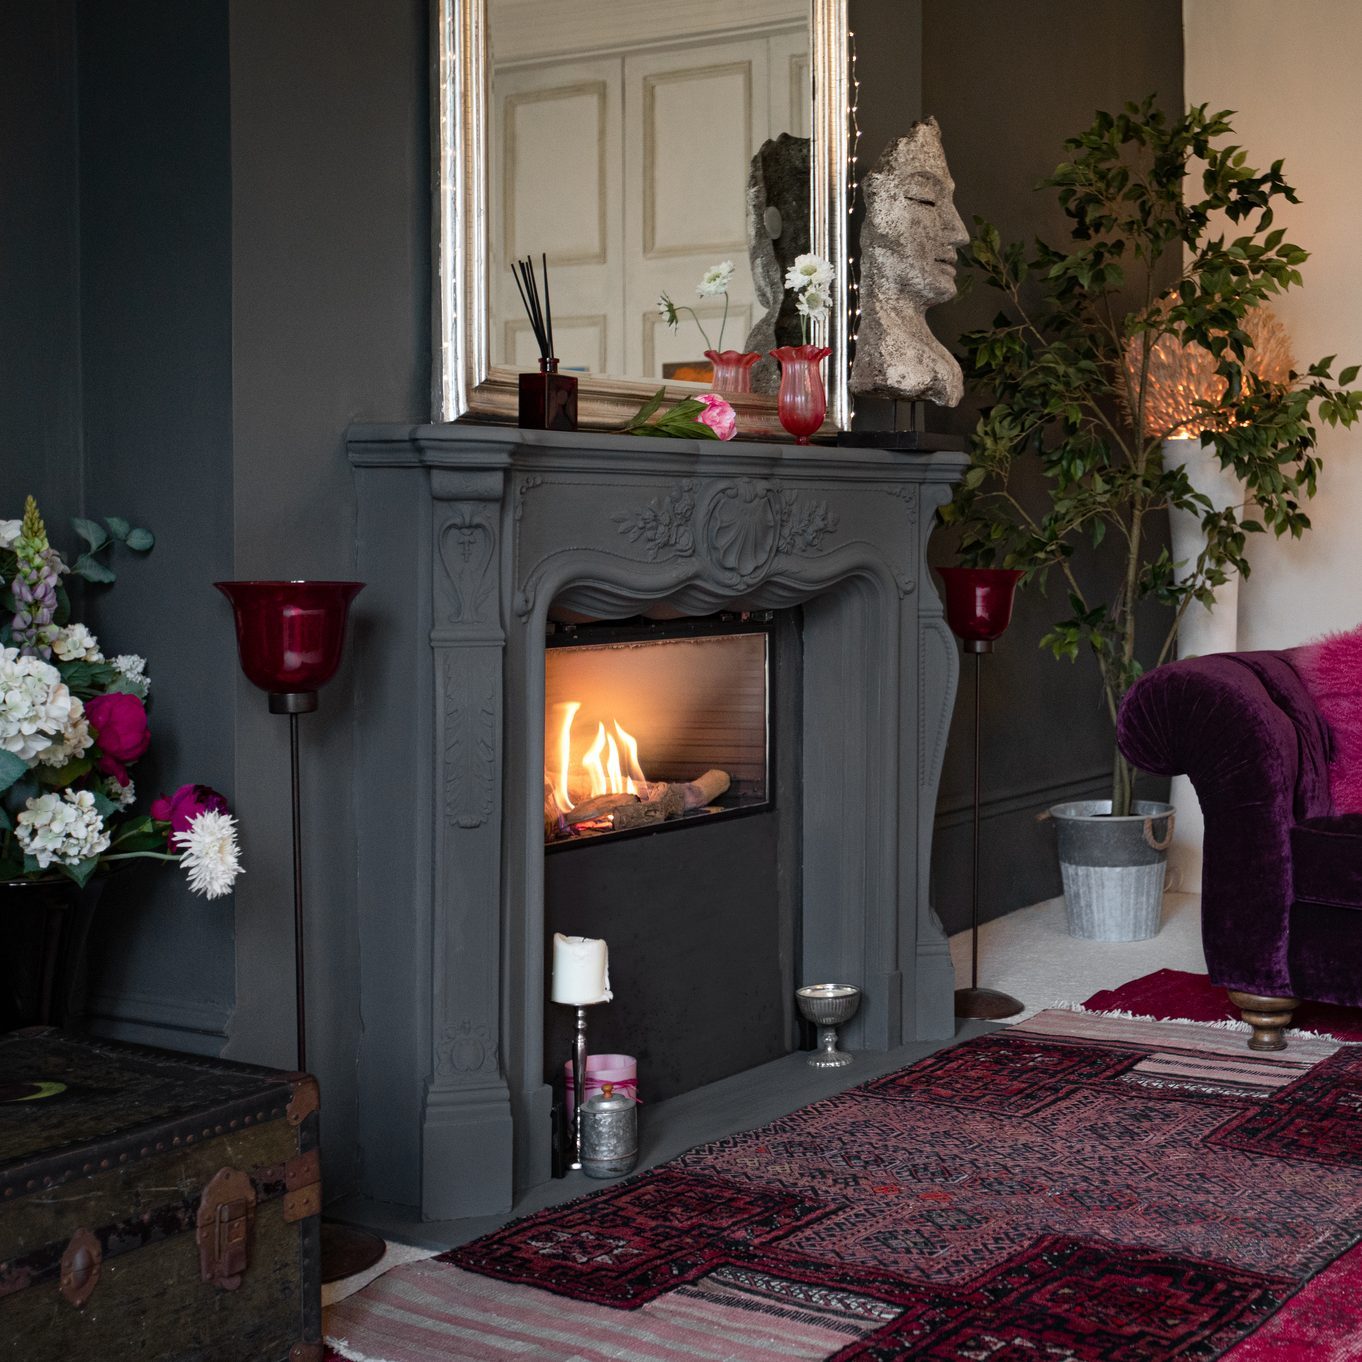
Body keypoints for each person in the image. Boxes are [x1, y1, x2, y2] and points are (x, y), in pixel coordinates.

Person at [850, 117, 969, 408]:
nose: (960, 233)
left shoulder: (940, 362)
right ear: (879, 209)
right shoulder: (889, 357)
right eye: (926, 200)